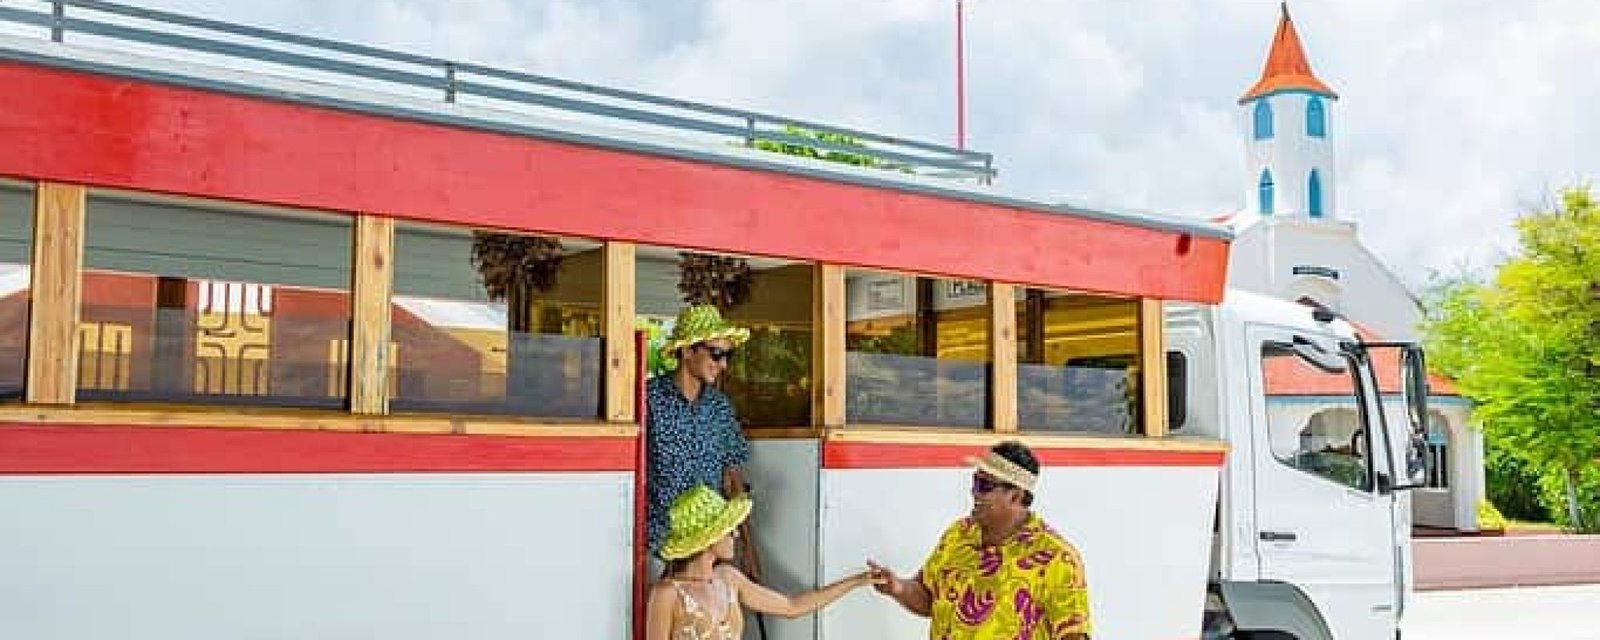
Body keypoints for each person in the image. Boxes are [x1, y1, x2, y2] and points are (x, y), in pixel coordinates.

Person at [867, 441, 1092, 639]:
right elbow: (928, 597)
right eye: (975, 481)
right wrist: (898, 588)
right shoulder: (959, 534)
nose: (974, 492)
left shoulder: (1056, 558)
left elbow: (1073, 634)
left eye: (984, 486)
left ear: (1015, 496)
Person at [646, 485, 877, 640]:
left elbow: (792, 606)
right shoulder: (667, 593)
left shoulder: (728, 578)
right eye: (729, 530)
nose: (736, 535)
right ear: (709, 539)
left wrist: (860, 580)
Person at [646, 305, 751, 560]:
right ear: (687, 351)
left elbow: (733, 476)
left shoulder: (719, 407)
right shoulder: (647, 399)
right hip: (658, 542)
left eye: (729, 355)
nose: (723, 365)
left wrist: (748, 546)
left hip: (708, 545)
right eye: (716, 354)